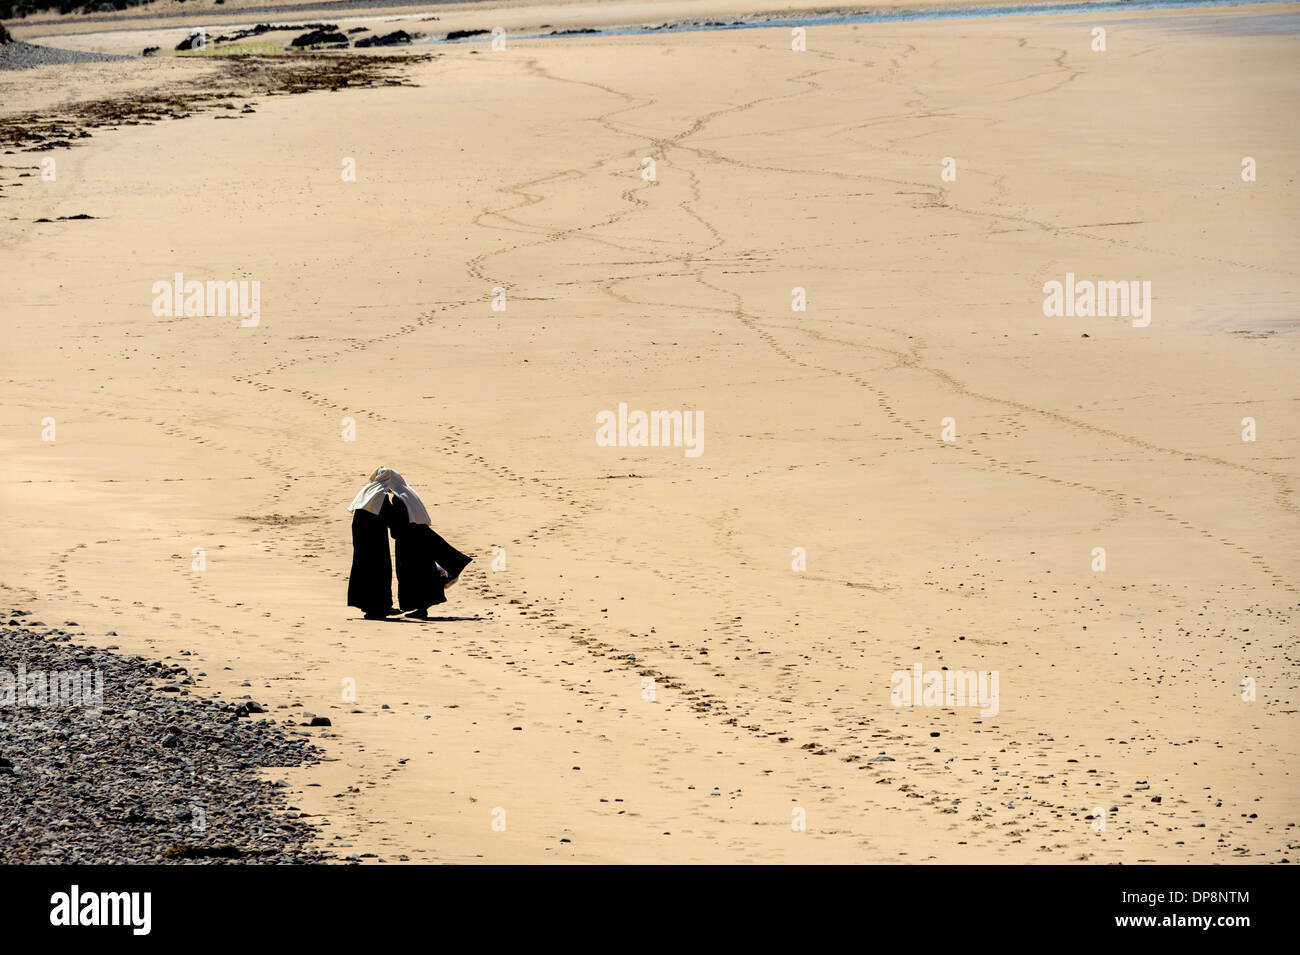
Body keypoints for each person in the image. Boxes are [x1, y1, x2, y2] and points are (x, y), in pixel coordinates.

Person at [381, 469, 473, 619]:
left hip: (410, 542)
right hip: (421, 537)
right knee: (423, 572)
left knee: (412, 574)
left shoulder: (398, 498)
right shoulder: (408, 492)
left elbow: (400, 524)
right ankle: (422, 608)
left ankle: (420, 609)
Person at [346, 467, 401, 619]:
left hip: (362, 536)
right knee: (379, 570)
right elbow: (390, 518)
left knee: (365, 568)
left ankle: (374, 606)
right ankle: (379, 607)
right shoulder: (380, 495)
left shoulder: (369, 490)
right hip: (374, 538)